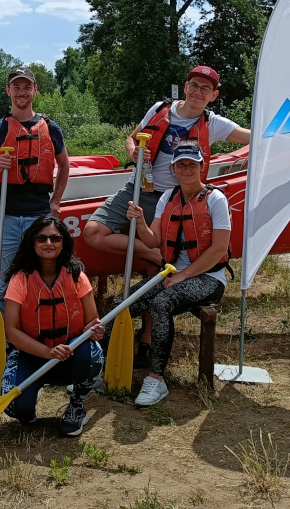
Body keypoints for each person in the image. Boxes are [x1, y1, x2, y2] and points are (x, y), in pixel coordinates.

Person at [83, 65, 248, 267]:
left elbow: (254, 137)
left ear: (213, 95)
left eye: (205, 89)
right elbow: (132, 139)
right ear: (186, 87)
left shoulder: (214, 123)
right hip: (136, 188)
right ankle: (154, 254)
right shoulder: (160, 108)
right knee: (93, 233)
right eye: (194, 86)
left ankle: (158, 265)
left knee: (163, 260)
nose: (198, 92)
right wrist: (132, 152)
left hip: (171, 198)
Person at [119, 144, 230, 406]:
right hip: (171, 274)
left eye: (193, 164)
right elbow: (153, 241)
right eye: (181, 165)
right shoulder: (167, 197)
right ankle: (105, 370)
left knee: (161, 303)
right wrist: (140, 221)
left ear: (203, 167)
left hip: (209, 278)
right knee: (119, 305)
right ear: (173, 169)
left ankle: (156, 379)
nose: (187, 169)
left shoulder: (215, 199)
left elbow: (218, 249)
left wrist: (183, 276)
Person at [0, 216, 105, 436]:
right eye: (42, 238)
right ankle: (30, 396)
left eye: (55, 238)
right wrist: (48, 352)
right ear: (33, 242)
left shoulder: (77, 276)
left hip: (71, 352)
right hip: (33, 355)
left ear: (63, 242)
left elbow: (91, 321)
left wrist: (94, 331)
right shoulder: (20, 279)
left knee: (92, 352)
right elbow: (12, 332)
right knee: (16, 409)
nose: (49, 243)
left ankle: (77, 404)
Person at [0, 66, 69, 310]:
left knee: (39, 280)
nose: (21, 92)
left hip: (39, 216)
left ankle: (32, 342)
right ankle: (1, 345)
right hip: (3, 217)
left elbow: (64, 166)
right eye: (16, 87)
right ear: (8, 91)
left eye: (27, 86)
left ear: (35, 90)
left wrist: (56, 202)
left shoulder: (51, 128)